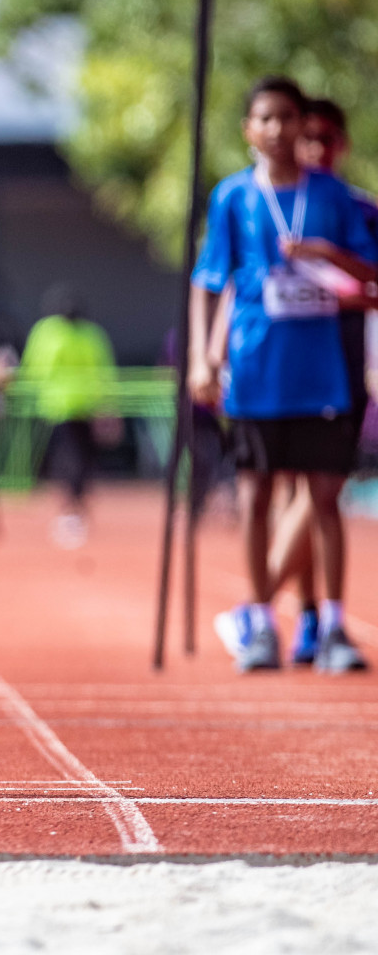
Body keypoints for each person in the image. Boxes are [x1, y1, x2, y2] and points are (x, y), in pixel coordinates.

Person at [190, 76, 378, 674]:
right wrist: (203, 355)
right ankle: (261, 623)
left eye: (288, 118)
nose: (277, 130)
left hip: (320, 368)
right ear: (249, 129)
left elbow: (367, 271)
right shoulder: (233, 196)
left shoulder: (333, 196)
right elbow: (210, 278)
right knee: (256, 495)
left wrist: (324, 254)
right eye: (264, 119)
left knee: (325, 495)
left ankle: (332, 625)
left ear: (304, 127)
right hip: (254, 367)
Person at [259, 98, 378, 665]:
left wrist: (351, 285)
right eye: (305, 137)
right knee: (291, 491)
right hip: (279, 369)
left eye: (326, 137)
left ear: (343, 144)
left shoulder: (359, 210)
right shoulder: (266, 201)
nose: (314, 148)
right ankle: (303, 618)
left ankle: (259, 607)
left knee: (321, 490)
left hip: (342, 366)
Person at [20, 284, 118, 549]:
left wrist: (107, 407)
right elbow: (34, 368)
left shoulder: (78, 334)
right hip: (60, 408)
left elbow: (103, 371)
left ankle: (74, 510)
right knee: (70, 461)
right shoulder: (55, 333)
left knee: (77, 462)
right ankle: (72, 509)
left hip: (78, 408)